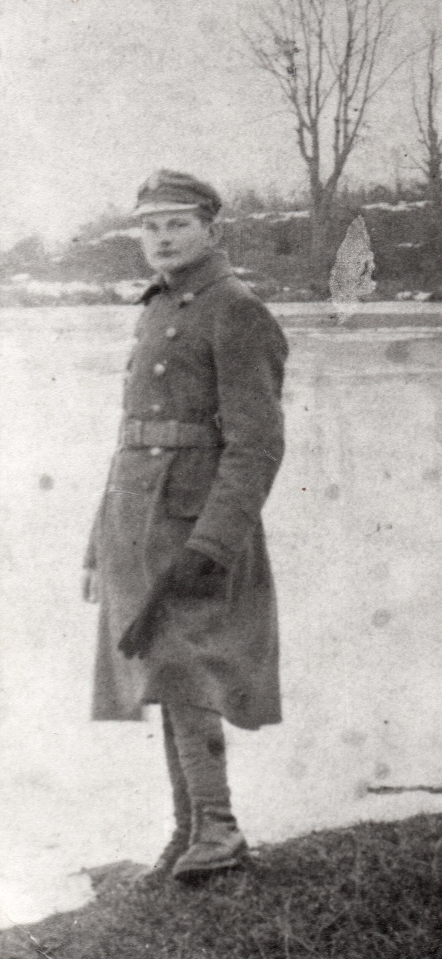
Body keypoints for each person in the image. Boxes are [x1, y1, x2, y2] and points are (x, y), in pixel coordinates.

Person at [82, 169, 288, 883]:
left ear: (211, 229)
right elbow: (132, 436)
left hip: (193, 525)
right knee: (162, 676)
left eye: (177, 224)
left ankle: (220, 831)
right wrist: (94, 540)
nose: (162, 237)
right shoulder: (156, 306)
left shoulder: (235, 309)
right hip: (135, 523)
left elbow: (257, 443)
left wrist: (213, 543)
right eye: (150, 225)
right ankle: (188, 831)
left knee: (191, 672)